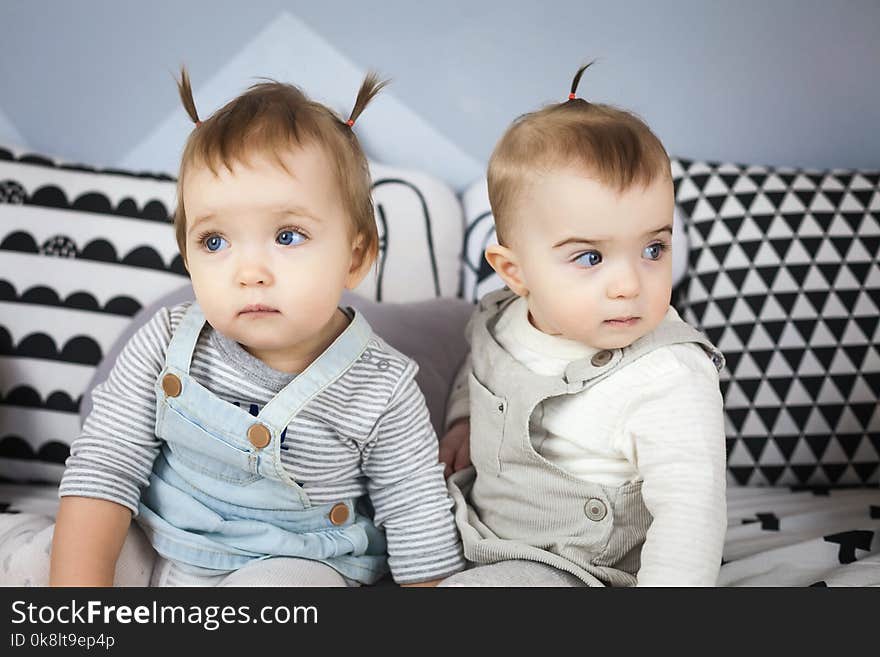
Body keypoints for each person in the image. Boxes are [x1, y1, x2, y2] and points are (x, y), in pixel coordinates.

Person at [7, 68, 465, 587]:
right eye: (215, 242)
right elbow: (105, 467)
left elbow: (418, 521)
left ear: (355, 257)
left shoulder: (383, 388)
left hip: (297, 561)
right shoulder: (166, 342)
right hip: (160, 540)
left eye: (288, 236)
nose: (250, 273)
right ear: (188, 257)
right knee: (54, 561)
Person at [439, 63, 726, 587]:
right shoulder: (498, 317)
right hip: (480, 529)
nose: (628, 285)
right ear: (514, 271)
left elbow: (692, 513)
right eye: (590, 258)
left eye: (653, 248)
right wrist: (462, 421)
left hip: (582, 567)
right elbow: (478, 369)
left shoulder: (669, 373)